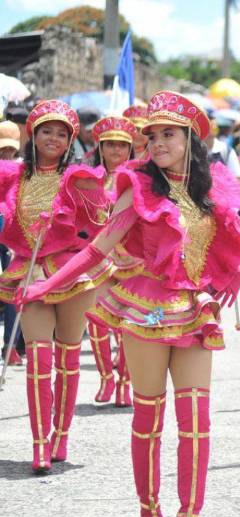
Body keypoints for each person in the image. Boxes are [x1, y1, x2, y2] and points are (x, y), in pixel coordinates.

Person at [20, 90, 240, 517]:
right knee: (148, 419)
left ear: (190, 139)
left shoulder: (211, 189)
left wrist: (233, 274)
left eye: (169, 134)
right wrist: (47, 287)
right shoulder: (138, 186)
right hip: (147, 309)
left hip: (195, 309)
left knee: (197, 423)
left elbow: (232, 242)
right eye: (153, 135)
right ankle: (151, 514)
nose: (159, 142)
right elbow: (99, 247)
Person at [0, 100, 110, 474]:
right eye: (47, 130)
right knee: (39, 359)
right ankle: (39, 443)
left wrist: (89, 200)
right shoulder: (14, 176)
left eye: (62, 134)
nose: (53, 138)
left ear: (69, 142)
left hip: (71, 273)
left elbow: (101, 224)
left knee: (67, 359)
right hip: (29, 272)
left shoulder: (78, 178)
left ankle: (61, 434)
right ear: (33, 133)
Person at [87, 115, 139, 406]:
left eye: (122, 145)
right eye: (110, 145)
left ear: (130, 148)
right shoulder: (88, 178)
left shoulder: (139, 178)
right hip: (97, 258)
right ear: (101, 147)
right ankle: (106, 376)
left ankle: (125, 382)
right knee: (95, 319)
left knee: (126, 324)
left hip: (131, 260)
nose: (116, 151)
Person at [0, 120, 24, 364]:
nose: (6, 154)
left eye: (10, 149)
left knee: (11, 288)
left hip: (11, 236)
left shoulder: (23, 170)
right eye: (1, 150)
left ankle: (10, 345)